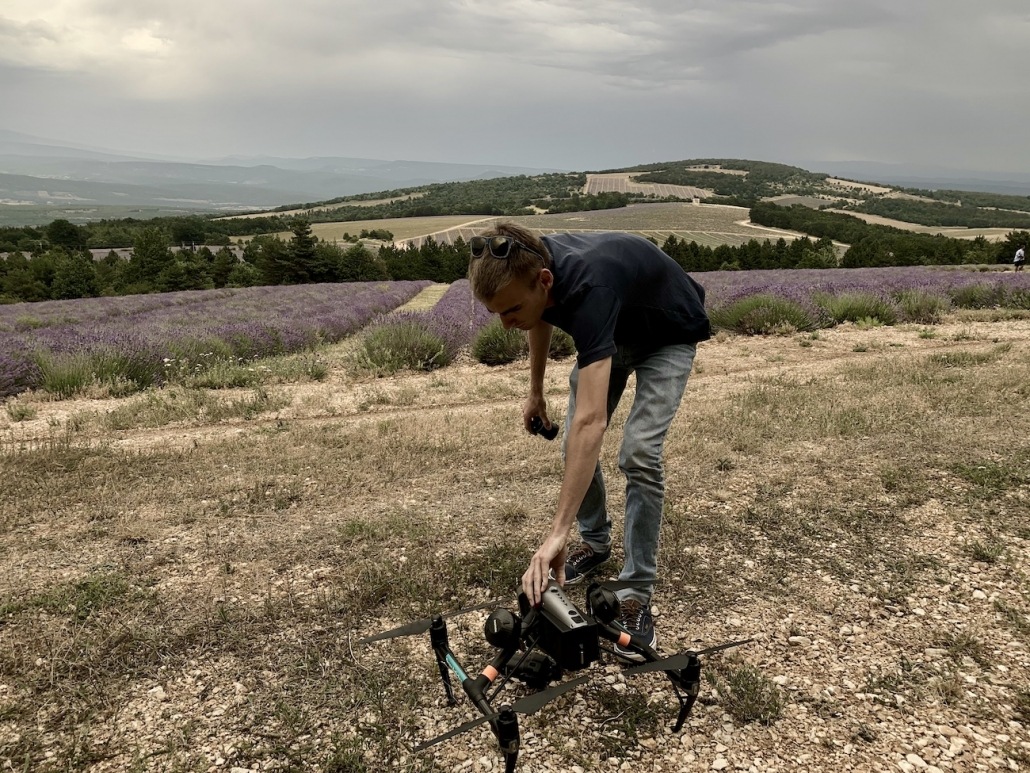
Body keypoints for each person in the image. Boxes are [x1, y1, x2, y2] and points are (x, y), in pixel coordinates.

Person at [466, 222, 710, 660]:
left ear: (544, 281)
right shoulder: (536, 267)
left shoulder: (589, 288)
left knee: (638, 453)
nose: (505, 324)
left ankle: (635, 590)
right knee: (571, 450)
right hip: (615, 330)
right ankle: (596, 542)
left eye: (510, 310)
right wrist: (535, 392)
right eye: (496, 314)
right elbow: (537, 316)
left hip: (668, 332)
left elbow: (591, 422)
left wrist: (555, 533)